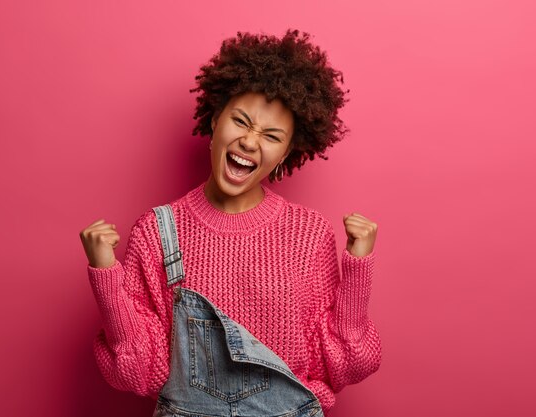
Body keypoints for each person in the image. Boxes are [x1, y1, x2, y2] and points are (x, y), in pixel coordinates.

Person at [79, 29, 381, 416]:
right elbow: (138, 373)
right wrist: (105, 275)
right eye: (240, 121)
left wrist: (357, 271)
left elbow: (344, 363)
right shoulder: (158, 230)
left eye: (272, 136)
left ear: (287, 152)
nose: (251, 142)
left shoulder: (309, 234)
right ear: (216, 120)